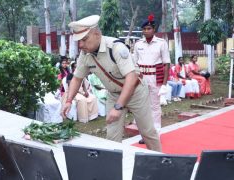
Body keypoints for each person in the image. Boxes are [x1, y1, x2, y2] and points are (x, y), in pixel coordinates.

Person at [62, 15, 161, 151]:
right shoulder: (84, 55)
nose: (81, 45)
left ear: (97, 34)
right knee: (112, 137)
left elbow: (131, 78)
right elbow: (77, 78)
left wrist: (118, 107)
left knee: (147, 132)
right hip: (114, 94)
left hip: (136, 92)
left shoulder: (116, 48)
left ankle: (160, 162)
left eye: (84, 39)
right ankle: (112, 170)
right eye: (78, 41)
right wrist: (68, 101)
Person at [133, 14, 170, 144]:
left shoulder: (161, 43)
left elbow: (166, 64)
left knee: (154, 106)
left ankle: (155, 133)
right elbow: (134, 63)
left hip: (155, 77)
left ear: (154, 29)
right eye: (144, 29)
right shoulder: (138, 44)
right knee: (142, 106)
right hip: (141, 77)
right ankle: (145, 134)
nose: (146, 31)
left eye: (149, 28)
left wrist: (164, 84)